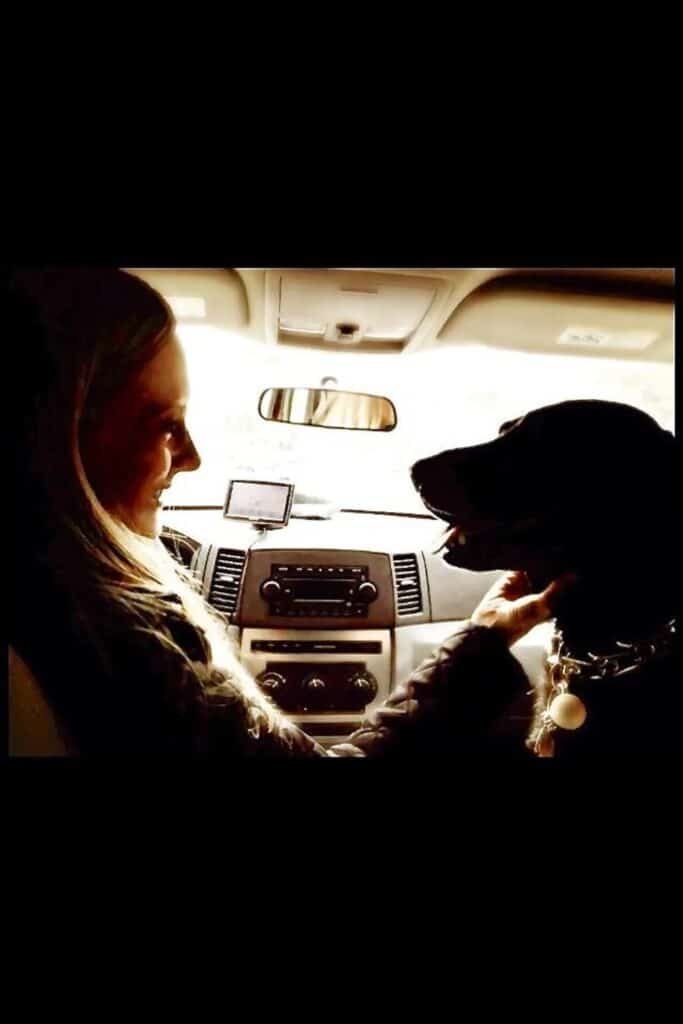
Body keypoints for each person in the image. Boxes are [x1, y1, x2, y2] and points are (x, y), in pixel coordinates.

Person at [8, 268, 565, 756]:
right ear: (63, 437)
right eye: (166, 424)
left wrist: (484, 636)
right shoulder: (127, 650)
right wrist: (483, 645)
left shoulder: (65, 613)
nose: (194, 458)